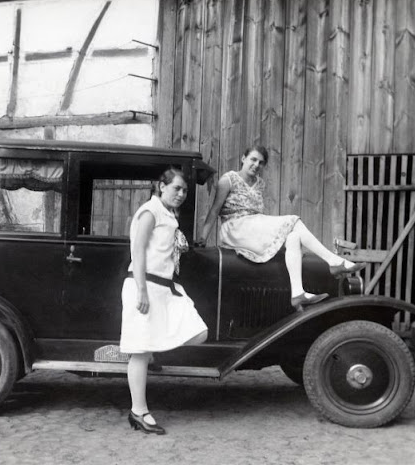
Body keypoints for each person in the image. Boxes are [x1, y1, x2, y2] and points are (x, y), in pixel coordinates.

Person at [196, 146, 365, 311]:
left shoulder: (259, 184)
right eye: (253, 160)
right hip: (236, 228)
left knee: (294, 238)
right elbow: (214, 210)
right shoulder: (228, 179)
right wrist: (203, 237)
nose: (256, 165)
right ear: (243, 159)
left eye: (261, 163)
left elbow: (257, 213)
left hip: (253, 226)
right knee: (294, 220)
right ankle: (333, 261)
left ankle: (297, 292)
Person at [120, 168, 208, 435]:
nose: (181, 194)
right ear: (161, 186)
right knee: (139, 350)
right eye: (176, 188)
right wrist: (141, 291)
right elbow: (137, 250)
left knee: (198, 332)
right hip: (144, 285)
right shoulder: (150, 211)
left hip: (163, 287)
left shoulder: (167, 214)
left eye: (184, 191)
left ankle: (153, 352)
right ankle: (139, 411)